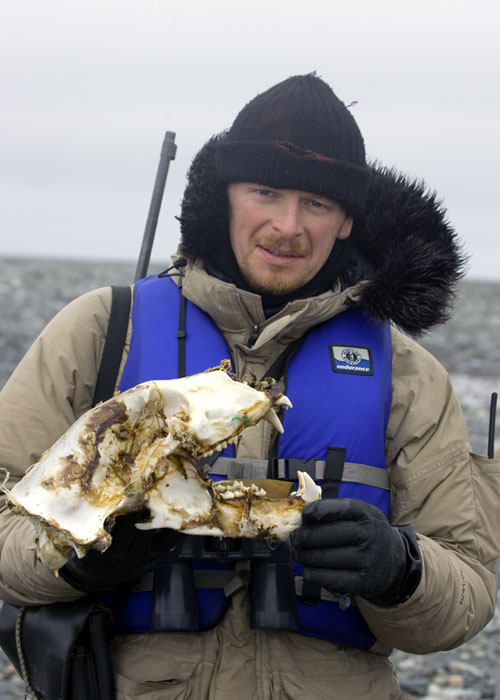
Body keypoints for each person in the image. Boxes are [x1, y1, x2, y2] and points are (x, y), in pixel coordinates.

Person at [0, 73, 499, 700]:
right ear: (225, 197)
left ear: (347, 221)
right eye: (266, 192)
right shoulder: (103, 330)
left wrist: (401, 568)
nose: (288, 226)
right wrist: (75, 552)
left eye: (317, 204)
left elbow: (469, 594)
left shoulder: (407, 374)